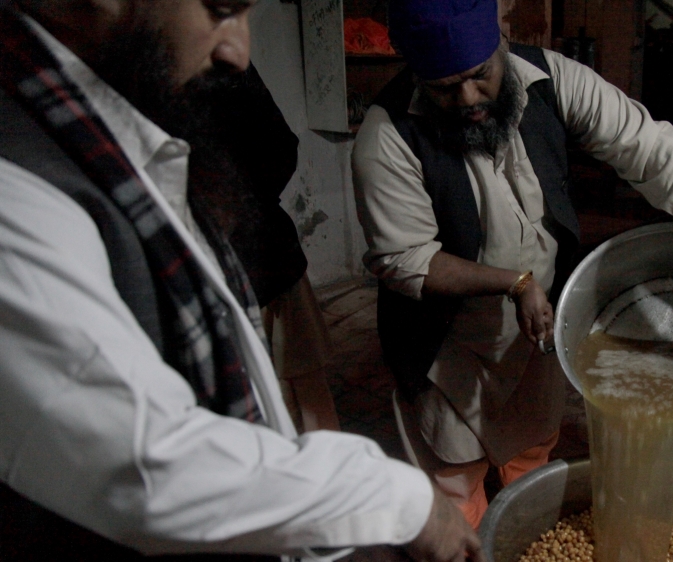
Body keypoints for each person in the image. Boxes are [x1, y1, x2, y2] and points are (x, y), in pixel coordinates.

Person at [0, 1, 482, 560]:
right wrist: (396, 499)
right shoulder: (20, 185)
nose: (239, 51)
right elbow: (145, 467)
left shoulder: (127, 144)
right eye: (222, 9)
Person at [351, 0, 673, 529]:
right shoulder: (386, 136)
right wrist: (512, 282)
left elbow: (651, 148)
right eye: (445, 89)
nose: (470, 99)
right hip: (449, 347)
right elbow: (406, 260)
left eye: (481, 76)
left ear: (500, 40)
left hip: (538, 328)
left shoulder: (550, 78)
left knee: (531, 454)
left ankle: (523, 526)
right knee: (454, 481)